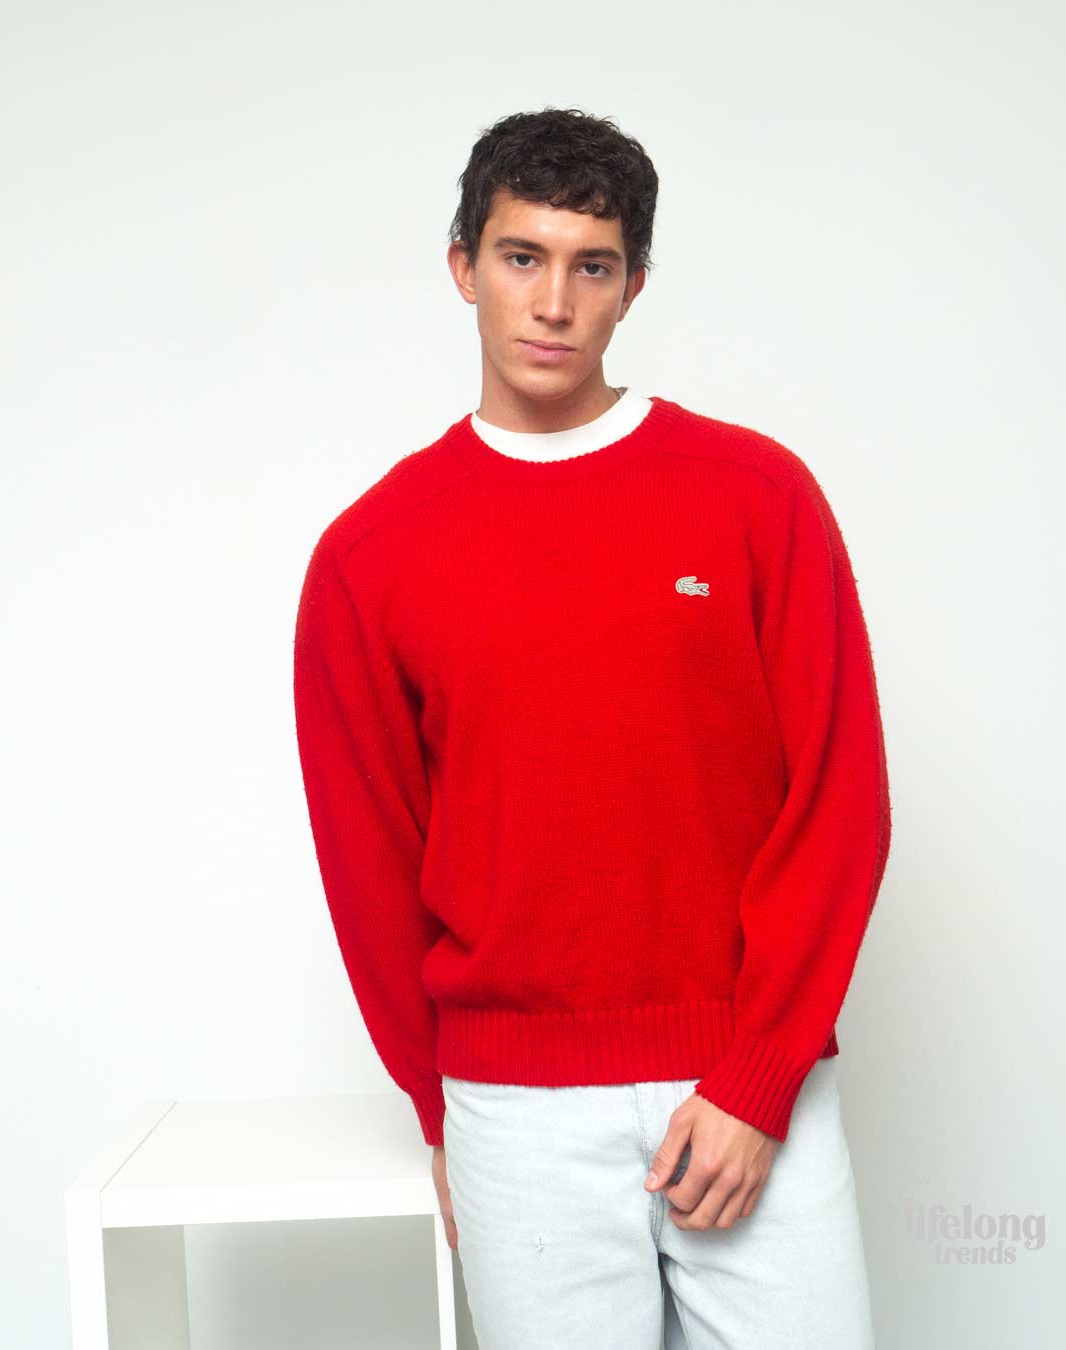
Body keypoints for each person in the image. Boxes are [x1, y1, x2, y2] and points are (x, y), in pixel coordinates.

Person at [292, 106, 892, 1349]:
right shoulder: (371, 555)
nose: (554, 302)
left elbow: (842, 799)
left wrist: (760, 1075)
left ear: (634, 286)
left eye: (593, 266)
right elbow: (371, 865)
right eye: (522, 257)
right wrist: (443, 1113)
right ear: (463, 266)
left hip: (747, 1087)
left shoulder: (757, 498)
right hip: (514, 1117)